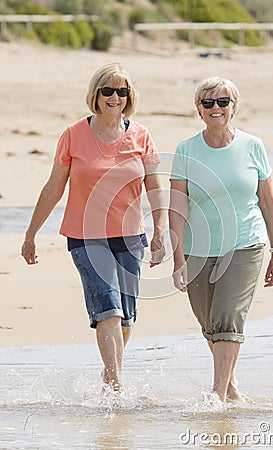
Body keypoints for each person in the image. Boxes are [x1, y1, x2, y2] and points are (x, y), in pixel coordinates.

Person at [21, 62, 166, 392]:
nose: (115, 97)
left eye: (122, 91)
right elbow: (53, 187)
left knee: (126, 316)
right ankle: (116, 388)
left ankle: (108, 373)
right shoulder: (73, 134)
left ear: (129, 97)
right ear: (96, 95)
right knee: (108, 310)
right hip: (86, 236)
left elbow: (154, 187)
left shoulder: (141, 135)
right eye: (108, 91)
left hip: (130, 236)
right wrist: (31, 234)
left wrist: (159, 231)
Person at [169, 76, 273, 404]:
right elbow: (177, 207)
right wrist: (178, 258)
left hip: (246, 244)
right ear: (199, 110)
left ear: (234, 107)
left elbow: (267, 202)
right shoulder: (186, 150)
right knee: (210, 323)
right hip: (198, 250)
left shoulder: (253, 146)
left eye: (222, 102)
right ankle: (230, 389)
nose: (216, 108)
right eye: (208, 103)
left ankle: (216, 395)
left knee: (228, 316)